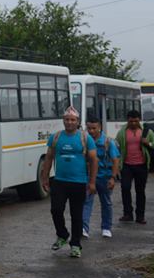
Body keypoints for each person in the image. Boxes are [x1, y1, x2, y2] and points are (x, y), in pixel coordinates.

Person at [41, 107, 97, 258]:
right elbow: (48, 158)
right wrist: (45, 177)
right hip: (60, 181)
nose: (69, 122)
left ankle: (76, 245)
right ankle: (62, 235)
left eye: (72, 120)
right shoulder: (56, 137)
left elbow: (93, 160)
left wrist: (92, 182)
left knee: (76, 215)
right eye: (67, 119)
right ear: (63, 121)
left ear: (77, 122)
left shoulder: (85, 138)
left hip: (79, 182)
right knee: (56, 210)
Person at [115, 109, 154, 224]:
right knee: (125, 188)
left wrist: (148, 143)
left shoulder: (146, 131)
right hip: (126, 165)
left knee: (140, 191)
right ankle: (127, 214)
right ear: (128, 120)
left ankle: (140, 216)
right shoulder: (122, 132)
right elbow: (116, 144)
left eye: (136, 121)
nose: (133, 124)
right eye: (131, 121)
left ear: (139, 120)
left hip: (141, 165)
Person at [81, 118, 120, 238]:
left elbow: (115, 160)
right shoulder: (85, 141)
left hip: (105, 177)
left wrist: (113, 178)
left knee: (106, 202)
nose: (91, 131)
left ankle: (106, 228)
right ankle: (84, 228)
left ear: (100, 128)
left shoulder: (108, 142)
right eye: (89, 128)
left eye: (94, 128)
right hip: (88, 176)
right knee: (86, 202)